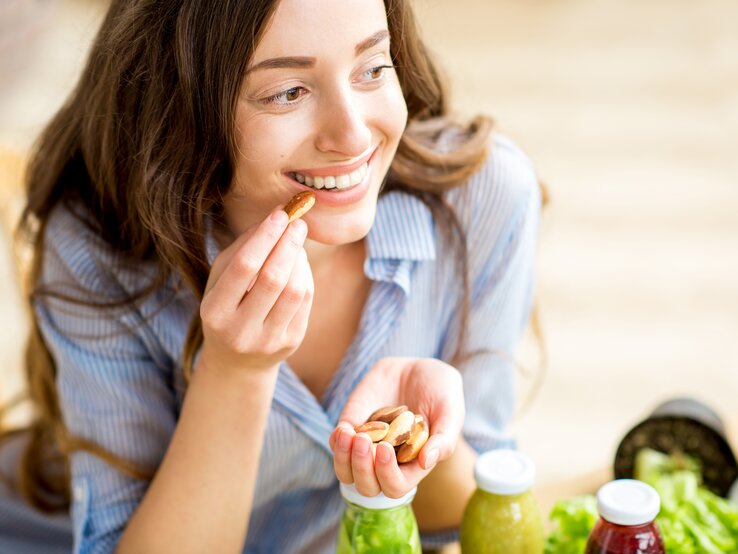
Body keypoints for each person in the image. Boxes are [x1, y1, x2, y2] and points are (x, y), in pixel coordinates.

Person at [0, 0, 544, 552]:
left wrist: (411, 438)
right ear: (179, 108)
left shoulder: (486, 196)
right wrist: (234, 372)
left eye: (373, 67)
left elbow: (471, 515)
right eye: (288, 92)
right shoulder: (96, 248)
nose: (353, 135)